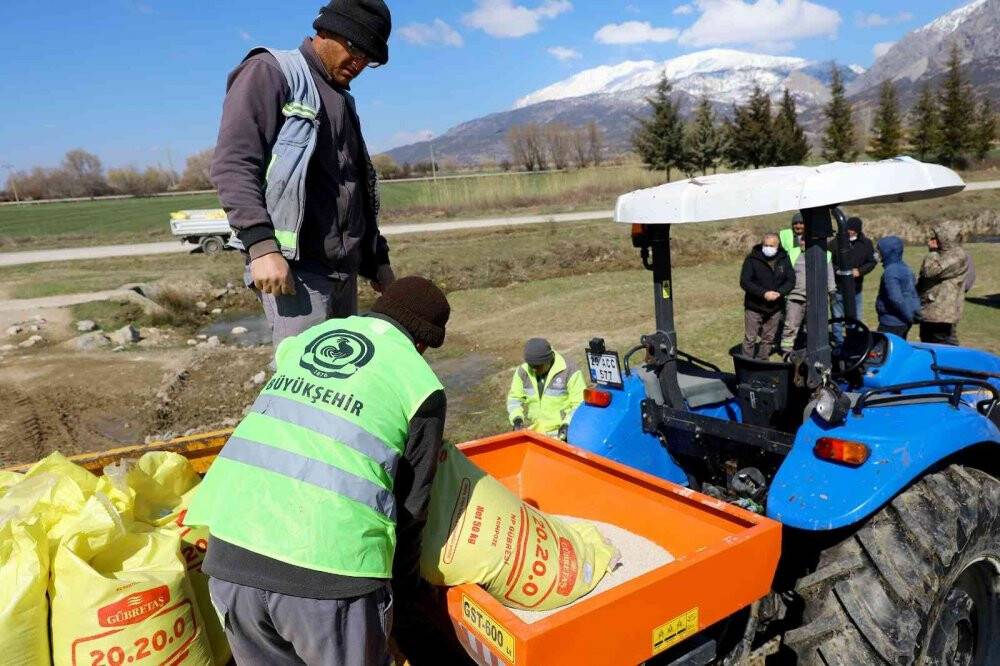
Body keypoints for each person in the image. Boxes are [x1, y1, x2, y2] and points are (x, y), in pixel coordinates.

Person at [186, 276, 451, 665]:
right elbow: (412, 507)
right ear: (423, 343)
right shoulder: (420, 383)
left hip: (230, 554)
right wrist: (406, 593)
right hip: (328, 576)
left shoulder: (314, 336)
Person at [211, 0, 395, 349]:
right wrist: (261, 247)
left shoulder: (342, 99)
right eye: (356, 49)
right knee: (305, 378)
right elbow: (233, 164)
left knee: (341, 376)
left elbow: (354, 187)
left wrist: (377, 260)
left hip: (343, 274)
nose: (359, 64)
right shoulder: (270, 71)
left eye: (369, 58)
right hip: (297, 272)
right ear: (326, 30)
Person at [507, 338, 585, 440]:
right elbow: (514, 399)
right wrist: (517, 418)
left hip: (560, 433)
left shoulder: (569, 371)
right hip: (535, 432)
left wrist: (567, 423)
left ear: (549, 359)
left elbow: (580, 403)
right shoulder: (523, 372)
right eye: (531, 366)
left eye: (538, 366)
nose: (534, 370)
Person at [740, 233, 795, 359]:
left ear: (777, 246)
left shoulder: (784, 259)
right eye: (766, 245)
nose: (768, 248)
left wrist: (780, 292)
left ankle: (763, 361)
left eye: (771, 246)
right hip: (754, 305)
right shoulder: (752, 259)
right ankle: (746, 362)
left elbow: (791, 280)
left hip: (775, 306)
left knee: (768, 338)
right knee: (750, 338)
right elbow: (745, 282)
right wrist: (763, 293)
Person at [780, 237, 836, 353]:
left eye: (806, 240)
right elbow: (785, 275)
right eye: (802, 240)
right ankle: (786, 352)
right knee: (790, 326)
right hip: (795, 297)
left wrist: (832, 292)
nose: (803, 243)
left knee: (815, 328)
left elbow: (830, 276)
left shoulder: (825, 254)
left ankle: (814, 352)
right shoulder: (793, 253)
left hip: (817, 298)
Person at [917, 224, 969, 345]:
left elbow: (930, 271)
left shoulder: (957, 256)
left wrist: (933, 252)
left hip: (942, 314)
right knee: (927, 342)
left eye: (936, 237)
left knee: (944, 345)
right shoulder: (944, 253)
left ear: (946, 238)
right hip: (930, 310)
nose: (932, 240)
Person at [831, 216, 877, 336]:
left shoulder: (866, 244)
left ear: (858, 231)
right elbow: (828, 261)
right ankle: (838, 342)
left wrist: (860, 271)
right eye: (848, 229)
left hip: (856, 289)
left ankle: (854, 339)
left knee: (856, 319)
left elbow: (871, 262)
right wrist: (838, 271)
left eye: (852, 230)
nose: (849, 232)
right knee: (837, 318)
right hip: (838, 289)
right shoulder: (835, 243)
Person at [875, 236, 921, 340]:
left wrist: (908, 315)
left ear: (887, 252)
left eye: (879, 250)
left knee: (886, 348)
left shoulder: (891, 272)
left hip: (891, 322)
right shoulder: (904, 267)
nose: (876, 253)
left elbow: (895, 298)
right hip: (902, 321)